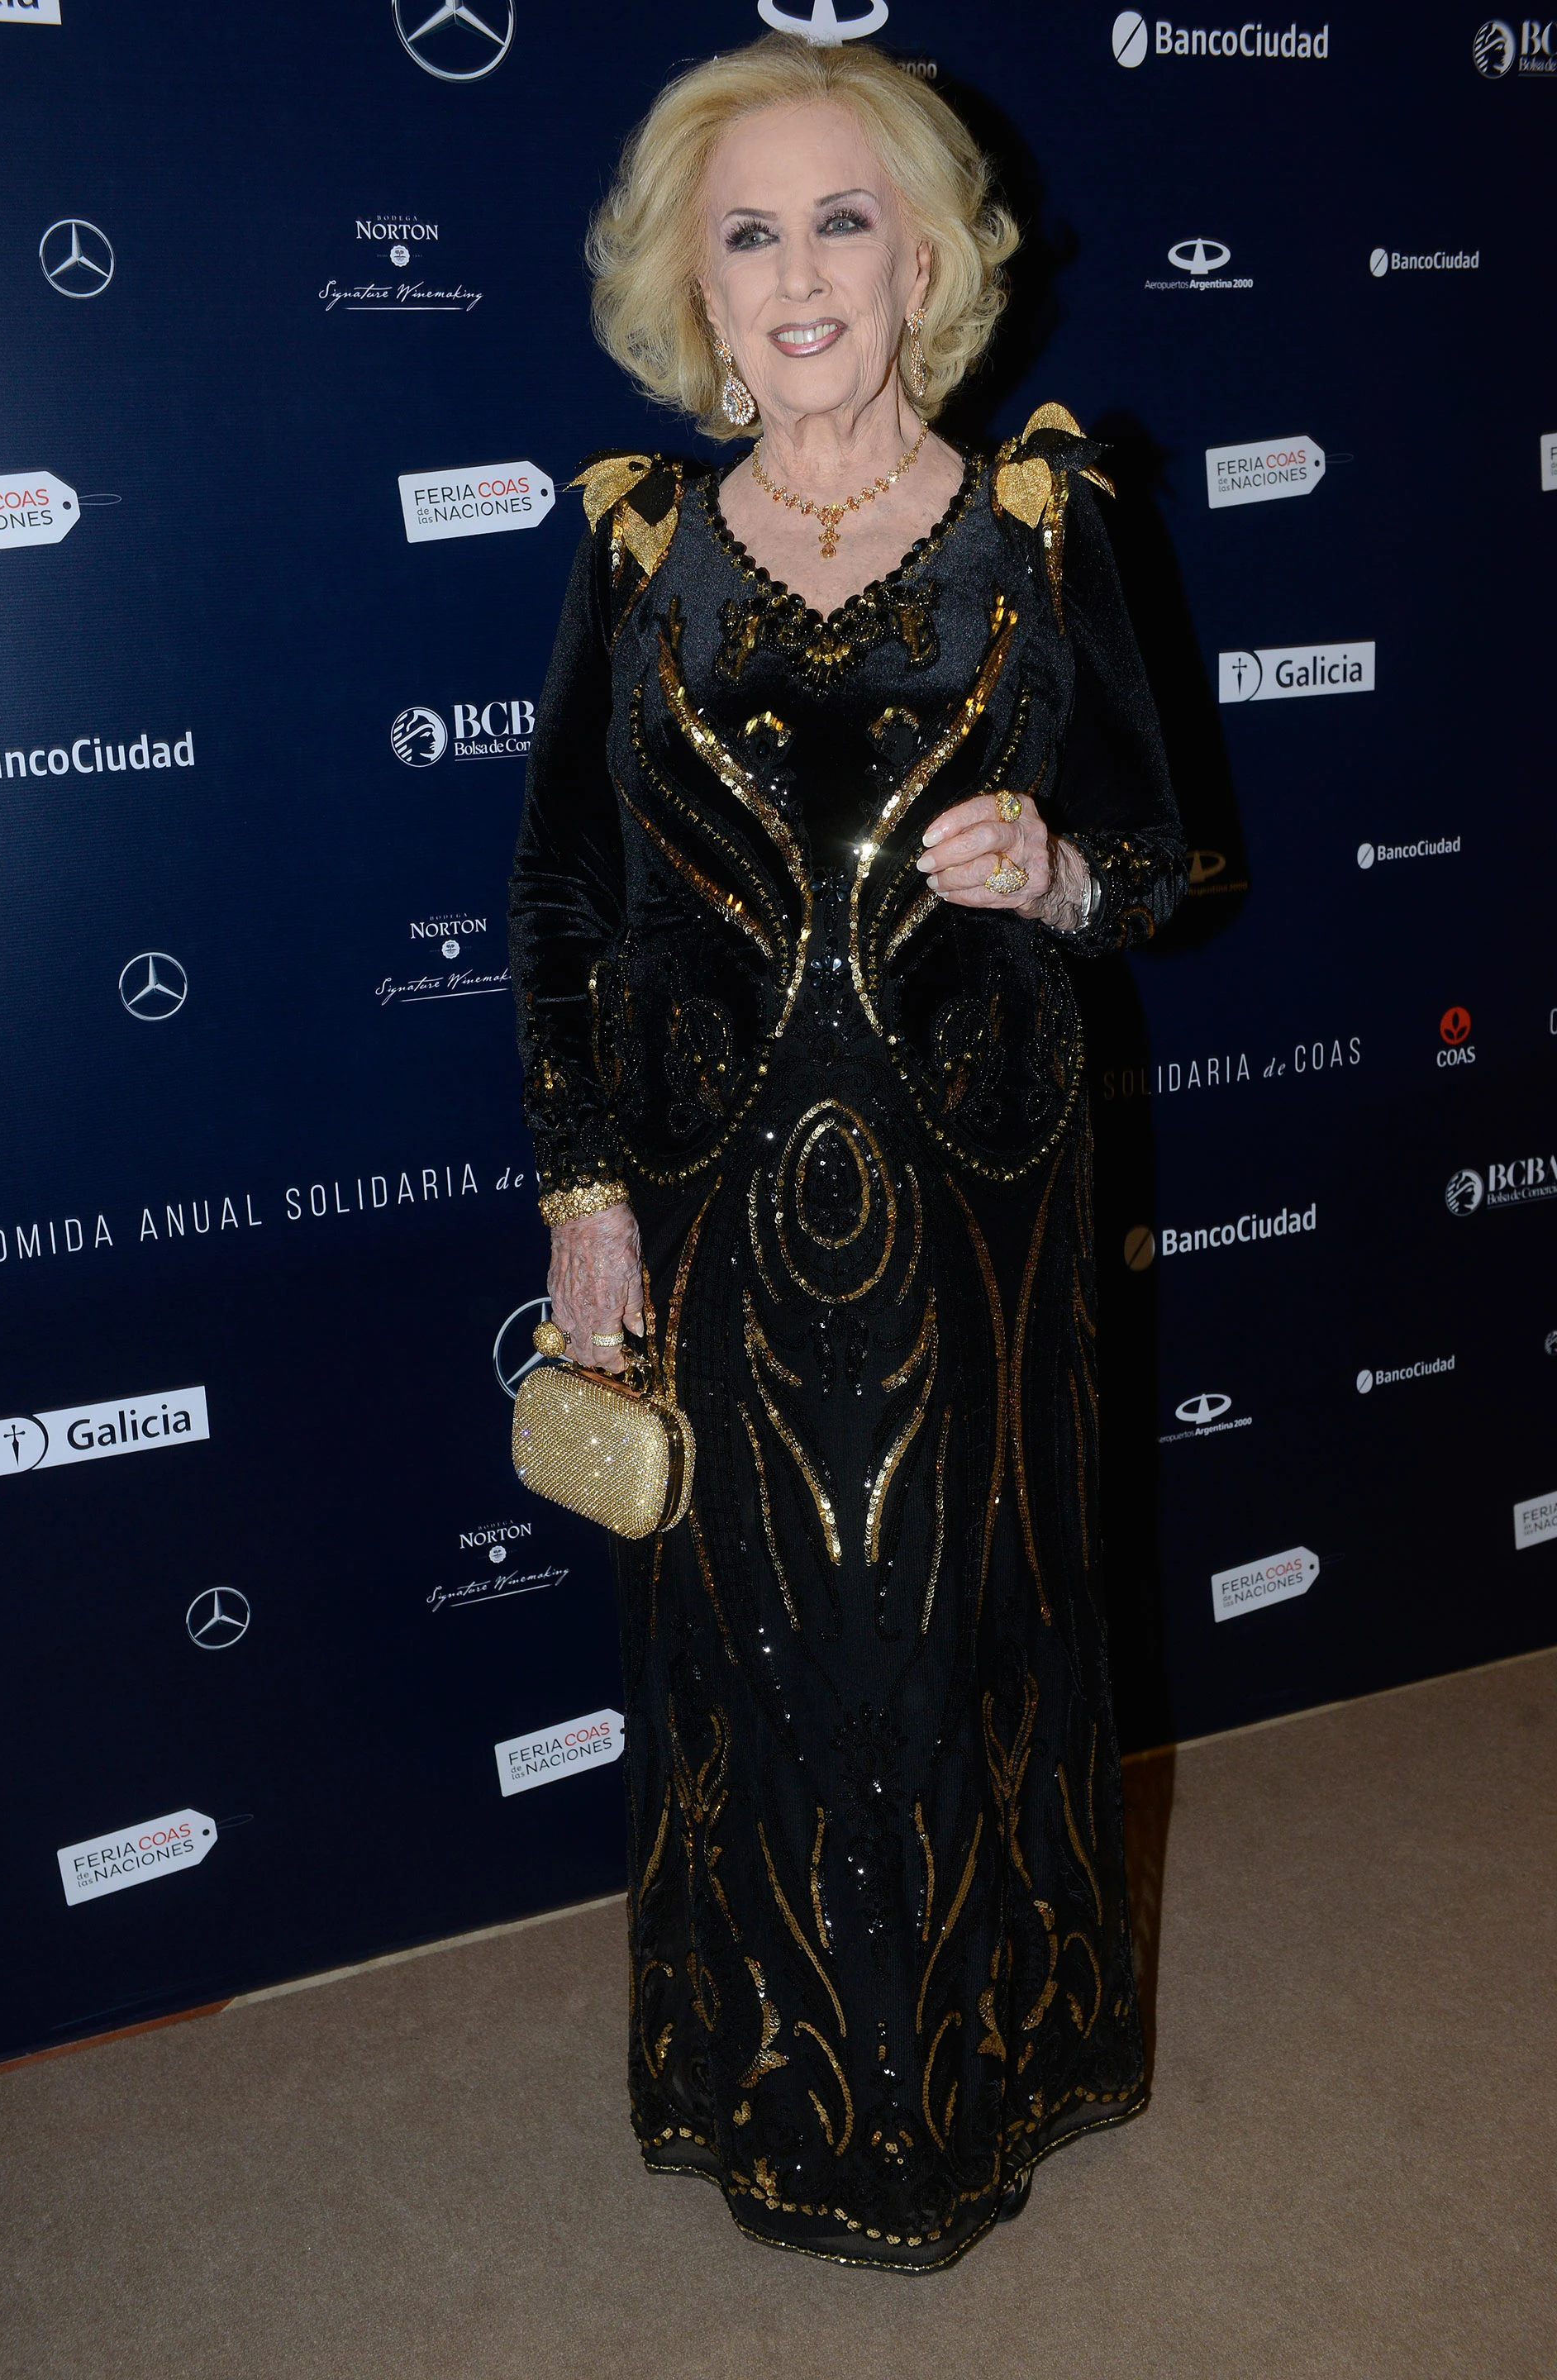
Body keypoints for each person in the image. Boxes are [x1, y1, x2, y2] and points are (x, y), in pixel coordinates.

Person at [507, 33, 1186, 2272]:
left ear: (921, 264)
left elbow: (1168, 852)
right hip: (711, 1207)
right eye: (749, 233)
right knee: (750, 1641)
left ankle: (996, 2071)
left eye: (840, 222)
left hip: (981, 1199)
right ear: (695, 289)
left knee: (978, 1618)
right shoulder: (639, 547)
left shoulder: (1045, 525)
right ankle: (773, 2094)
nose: (798, 273)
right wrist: (583, 1199)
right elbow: (566, 900)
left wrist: (1060, 874)